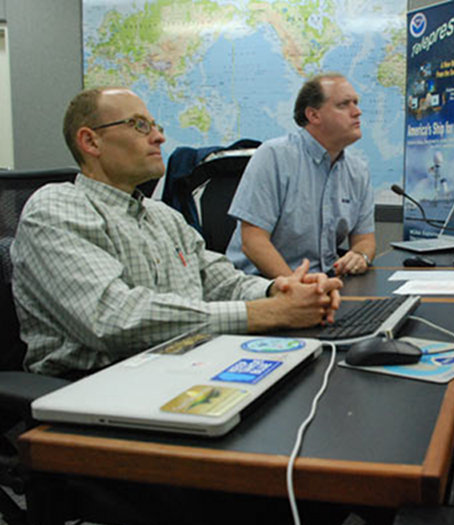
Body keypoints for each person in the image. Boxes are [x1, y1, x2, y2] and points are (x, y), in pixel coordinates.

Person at [11, 87, 343, 379]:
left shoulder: (161, 215)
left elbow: (219, 280)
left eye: (156, 127)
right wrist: (266, 313)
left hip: (184, 364)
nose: (158, 137)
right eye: (140, 125)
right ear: (90, 141)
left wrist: (280, 290)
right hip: (97, 384)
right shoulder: (56, 208)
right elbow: (114, 319)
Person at [226, 73, 376, 278]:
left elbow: (365, 239)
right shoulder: (274, 156)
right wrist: (296, 288)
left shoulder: (358, 170)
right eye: (344, 105)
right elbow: (253, 242)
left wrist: (360, 256)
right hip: (263, 284)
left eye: (356, 103)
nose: (357, 112)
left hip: (322, 282)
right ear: (314, 116)